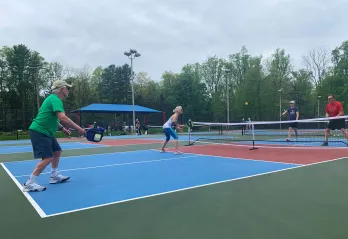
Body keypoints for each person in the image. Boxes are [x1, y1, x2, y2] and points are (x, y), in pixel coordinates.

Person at [23, 80, 86, 192]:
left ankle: (54, 176)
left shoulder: (52, 99)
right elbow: (62, 117)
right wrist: (79, 129)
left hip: (47, 132)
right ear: (62, 89)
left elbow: (53, 117)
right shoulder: (55, 99)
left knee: (57, 152)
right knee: (47, 158)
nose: (68, 90)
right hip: (40, 131)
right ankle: (29, 183)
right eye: (68, 88)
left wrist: (62, 129)